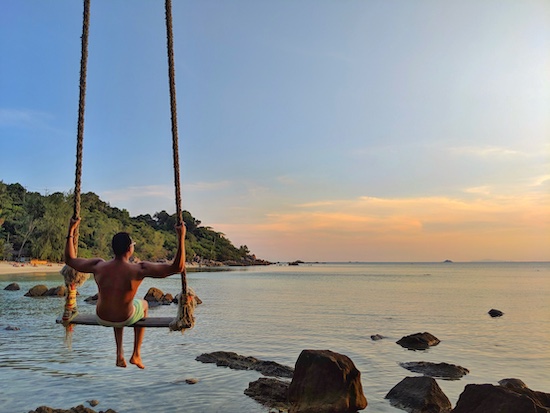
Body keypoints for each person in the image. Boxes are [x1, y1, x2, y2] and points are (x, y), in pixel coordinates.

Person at [64, 217, 186, 369]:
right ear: (130, 249)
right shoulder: (138, 270)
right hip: (124, 317)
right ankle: (136, 353)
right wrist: (181, 237)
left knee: (116, 302)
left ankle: (119, 354)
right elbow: (177, 267)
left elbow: (69, 259)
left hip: (102, 317)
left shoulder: (98, 266)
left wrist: (71, 230)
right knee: (144, 304)